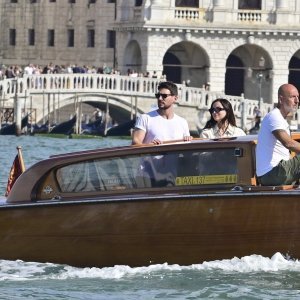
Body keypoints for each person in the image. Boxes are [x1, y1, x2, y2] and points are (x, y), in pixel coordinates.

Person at [256, 83, 300, 186]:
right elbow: (289, 143)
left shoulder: (280, 119)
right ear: (281, 99)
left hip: (272, 174)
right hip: (272, 174)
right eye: (293, 97)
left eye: (298, 97)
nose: (297, 101)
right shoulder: (274, 116)